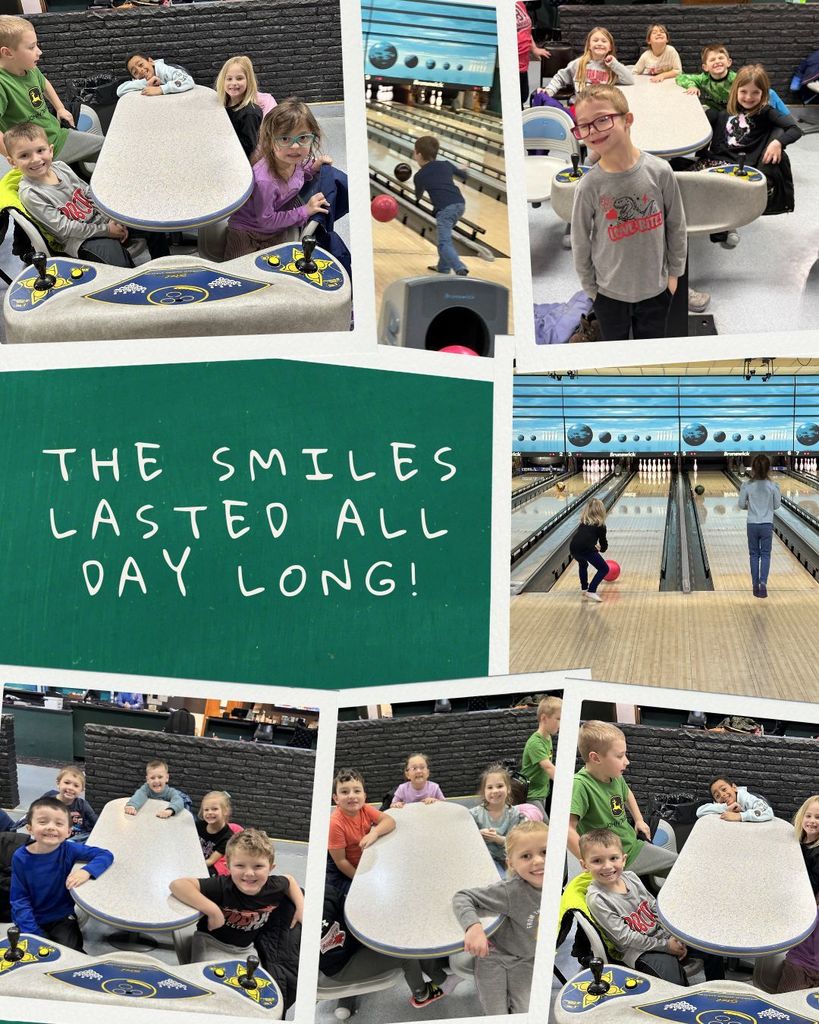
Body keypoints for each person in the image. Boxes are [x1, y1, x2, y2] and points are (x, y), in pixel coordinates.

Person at [570, 84, 687, 342]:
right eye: (584, 125)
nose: (593, 131)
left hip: (657, 290)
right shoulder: (589, 185)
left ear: (627, 120)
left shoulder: (660, 171)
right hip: (609, 295)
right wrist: (592, 291)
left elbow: (676, 226)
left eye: (602, 120)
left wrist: (674, 277)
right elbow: (580, 241)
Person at [6, 122, 170, 267]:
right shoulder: (31, 193)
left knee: (150, 223)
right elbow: (65, 229)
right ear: (12, 162)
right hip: (80, 239)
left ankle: (166, 268)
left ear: (50, 151)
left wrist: (111, 218)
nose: (35, 159)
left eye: (40, 150)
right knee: (118, 262)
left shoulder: (61, 166)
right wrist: (106, 230)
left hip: (101, 221)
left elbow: (89, 193)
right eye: (24, 155)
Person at [582, 829, 724, 984]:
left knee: (710, 946)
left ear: (623, 859)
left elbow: (655, 908)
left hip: (663, 936)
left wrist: (674, 934)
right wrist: (666, 946)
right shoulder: (597, 899)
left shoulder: (631, 877)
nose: (607, 866)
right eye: (597, 861)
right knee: (672, 978)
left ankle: (717, 990)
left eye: (613, 858)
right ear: (584, 865)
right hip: (638, 951)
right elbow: (625, 938)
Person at [698, 65, 802, 244]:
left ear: (764, 94)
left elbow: (795, 129)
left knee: (699, 185)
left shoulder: (766, 112)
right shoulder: (726, 112)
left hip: (737, 167)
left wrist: (778, 142)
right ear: (735, 91)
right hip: (714, 160)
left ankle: (723, 225)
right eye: (743, 91)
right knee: (673, 170)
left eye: (755, 93)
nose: (748, 97)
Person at [452, 820, 547, 1014]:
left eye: (545, 852)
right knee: (495, 1011)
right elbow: (462, 897)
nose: (538, 861)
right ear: (511, 863)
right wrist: (474, 927)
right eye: (526, 856)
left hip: (528, 959)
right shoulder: (511, 891)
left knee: (526, 1010)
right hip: (495, 957)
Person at [170, 828, 303, 962]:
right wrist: (213, 911)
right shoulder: (222, 886)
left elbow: (290, 880)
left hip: (246, 949)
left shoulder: (274, 886)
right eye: (240, 865)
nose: (249, 873)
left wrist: (301, 907)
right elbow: (178, 885)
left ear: (271, 868)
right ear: (228, 867)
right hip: (211, 943)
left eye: (258, 866)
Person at [568, 721, 677, 879]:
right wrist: (591, 864)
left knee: (681, 866)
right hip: (614, 863)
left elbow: (627, 794)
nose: (627, 761)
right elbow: (568, 829)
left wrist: (639, 820)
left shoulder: (615, 776)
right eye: (619, 756)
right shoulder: (580, 785)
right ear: (595, 758)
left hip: (632, 847)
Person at [225, 97, 331, 259]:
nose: (295, 146)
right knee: (238, 274)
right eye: (284, 138)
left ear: (312, 136)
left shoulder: (295, 161)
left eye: (302, 138)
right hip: (246, 231)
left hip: (275, 228)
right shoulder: (265, 181)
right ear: (270, 141)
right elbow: (265, 221)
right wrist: (304, 211)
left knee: (278, 271)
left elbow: (300, 170)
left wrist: (314, 166)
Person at [10, 797, 113, 950]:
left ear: (68, 832)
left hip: (61, 916)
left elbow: (106, 854)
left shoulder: (69, 849)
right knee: (32, 957)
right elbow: (19, 899)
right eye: (43, 822)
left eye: (59, 824)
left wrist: (86, 871)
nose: (51, 827)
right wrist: (33, 932)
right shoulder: (20, 857)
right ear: (29, 828)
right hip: (30, 918)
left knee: (72, 953)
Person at [0, 16, 104, 166]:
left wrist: (60, 108)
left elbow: (44, 84)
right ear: (8, 53)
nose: (39, 51)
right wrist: (16, 159)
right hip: (40, 154)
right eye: (31, 47)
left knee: (110, 148)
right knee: (109, 149)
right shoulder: (3, 83)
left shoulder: (30, 69)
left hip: (56, 135)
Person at [327, 768, 395, 895]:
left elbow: (389, 821)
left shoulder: (365, 809)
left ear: (364, 796)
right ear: (336, 799)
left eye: (357, 791)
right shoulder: (335, 823)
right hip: (346, 872)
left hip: (365, 861)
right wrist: (359, 879)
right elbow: (341, 861)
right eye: (345, 792)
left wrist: (374, 833)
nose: (352, 796)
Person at [777, 796, 819, 992]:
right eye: (809, 815)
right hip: (798, 916)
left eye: (818, 817)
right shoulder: (797, 845)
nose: (812, 820)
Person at [412, 134, 469, 276]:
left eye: (415, 151)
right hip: (460, 204)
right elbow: (464, 176)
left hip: (445, 209)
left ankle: (459, 267)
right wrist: (464, 169)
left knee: (444, 243)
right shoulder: (446, 164)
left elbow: (418, 196)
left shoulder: (420, 175)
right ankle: (443, 268)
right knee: (445, 238)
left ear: (418, 154)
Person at [540, 28, 634, 103]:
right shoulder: (578, 63)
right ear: (589, 45)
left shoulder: (613, 67)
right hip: (581, 106)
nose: (599, 43)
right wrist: (549, 90)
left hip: (603, 107)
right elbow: (560, 77)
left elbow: (629, 80)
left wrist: (614, 64)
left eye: (604, 41)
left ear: (610, 47)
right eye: (595, 40)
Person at [738, 453, 782, 598]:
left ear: (753, 469)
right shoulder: (773, 486)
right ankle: (763, 584)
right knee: (765, 555)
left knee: (754, 554)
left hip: (752, 524)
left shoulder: (746, 485)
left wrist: (750, 507)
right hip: (766, 524)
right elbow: (776, 505)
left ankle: (754, 585)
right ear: (768, 469)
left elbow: (741, 505)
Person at [215, 55, 276, 158]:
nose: (233, 83)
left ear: (249, 81)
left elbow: (248, 146)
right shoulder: (224, 104)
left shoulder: (250, 113)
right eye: (229, 79)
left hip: (237, 160)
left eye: (239, 78)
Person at [470, 765, 525, 864]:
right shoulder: (474, 814)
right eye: (490, 787)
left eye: (500, 786)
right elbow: (467, 838)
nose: (495, 791)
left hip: (508, 860)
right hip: (483, 860)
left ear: (508, 789)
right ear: (484, 792)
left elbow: (515, 842)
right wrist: (478, 834)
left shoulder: (514, 814)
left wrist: (496, 839)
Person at [520, 695, 561, 814]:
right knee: (545, 828)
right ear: (544, 718)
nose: (560, 724)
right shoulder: (535, 743)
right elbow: (548, 767)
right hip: (532, 795)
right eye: (558, 719)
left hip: (542, 791)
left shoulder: (547, 737)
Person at [569, 498, 609, 603]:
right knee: (604, 569)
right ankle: (591, 590)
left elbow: (584, 537)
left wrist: (592, 545)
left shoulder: (583, 522)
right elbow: (603, 543)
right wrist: (602, 549)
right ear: (601, 511)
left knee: (583, 564)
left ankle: (584, 588)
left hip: (573, 547)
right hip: (586, 548)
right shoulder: (601, 525)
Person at [42, 765, 97, 840]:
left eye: (76, 786)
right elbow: (33, 815)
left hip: (76, 838)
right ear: (58, 783)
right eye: (67, 783)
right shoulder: (47, 800)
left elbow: (96, 823)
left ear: (82, 790)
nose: (71, 788)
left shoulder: (83, 805)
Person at [197, 791, 243, 876]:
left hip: (204, 866)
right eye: (206, 809)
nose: (209, 812)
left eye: (214, 809)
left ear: (225, 811)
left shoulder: (228, 837)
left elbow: (211, 861)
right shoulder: (199, 825)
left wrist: (193, 866)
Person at [516, 0, 551, 107]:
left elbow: (525, 30)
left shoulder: (519, 3)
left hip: (523, 64)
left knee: (522, 96)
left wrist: (534, 48)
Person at [116, 52, 195, 97]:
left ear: (150, 61)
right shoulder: (140, 80)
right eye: (135, 72)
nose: (140, 71)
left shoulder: (165, 70)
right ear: (134, 78)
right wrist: (147, 82)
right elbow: (120, 91)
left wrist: (161, 89)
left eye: (140, 65)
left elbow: (188, 80)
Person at [695, 777, 773, 821]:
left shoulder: (746, 798)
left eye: (724, 789)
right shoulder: (720, 804)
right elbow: (699, 812)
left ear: (734, 788)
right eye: (717, 796)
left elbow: (768, 811)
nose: (722, 795)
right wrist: (725, 807)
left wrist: (740, 816)